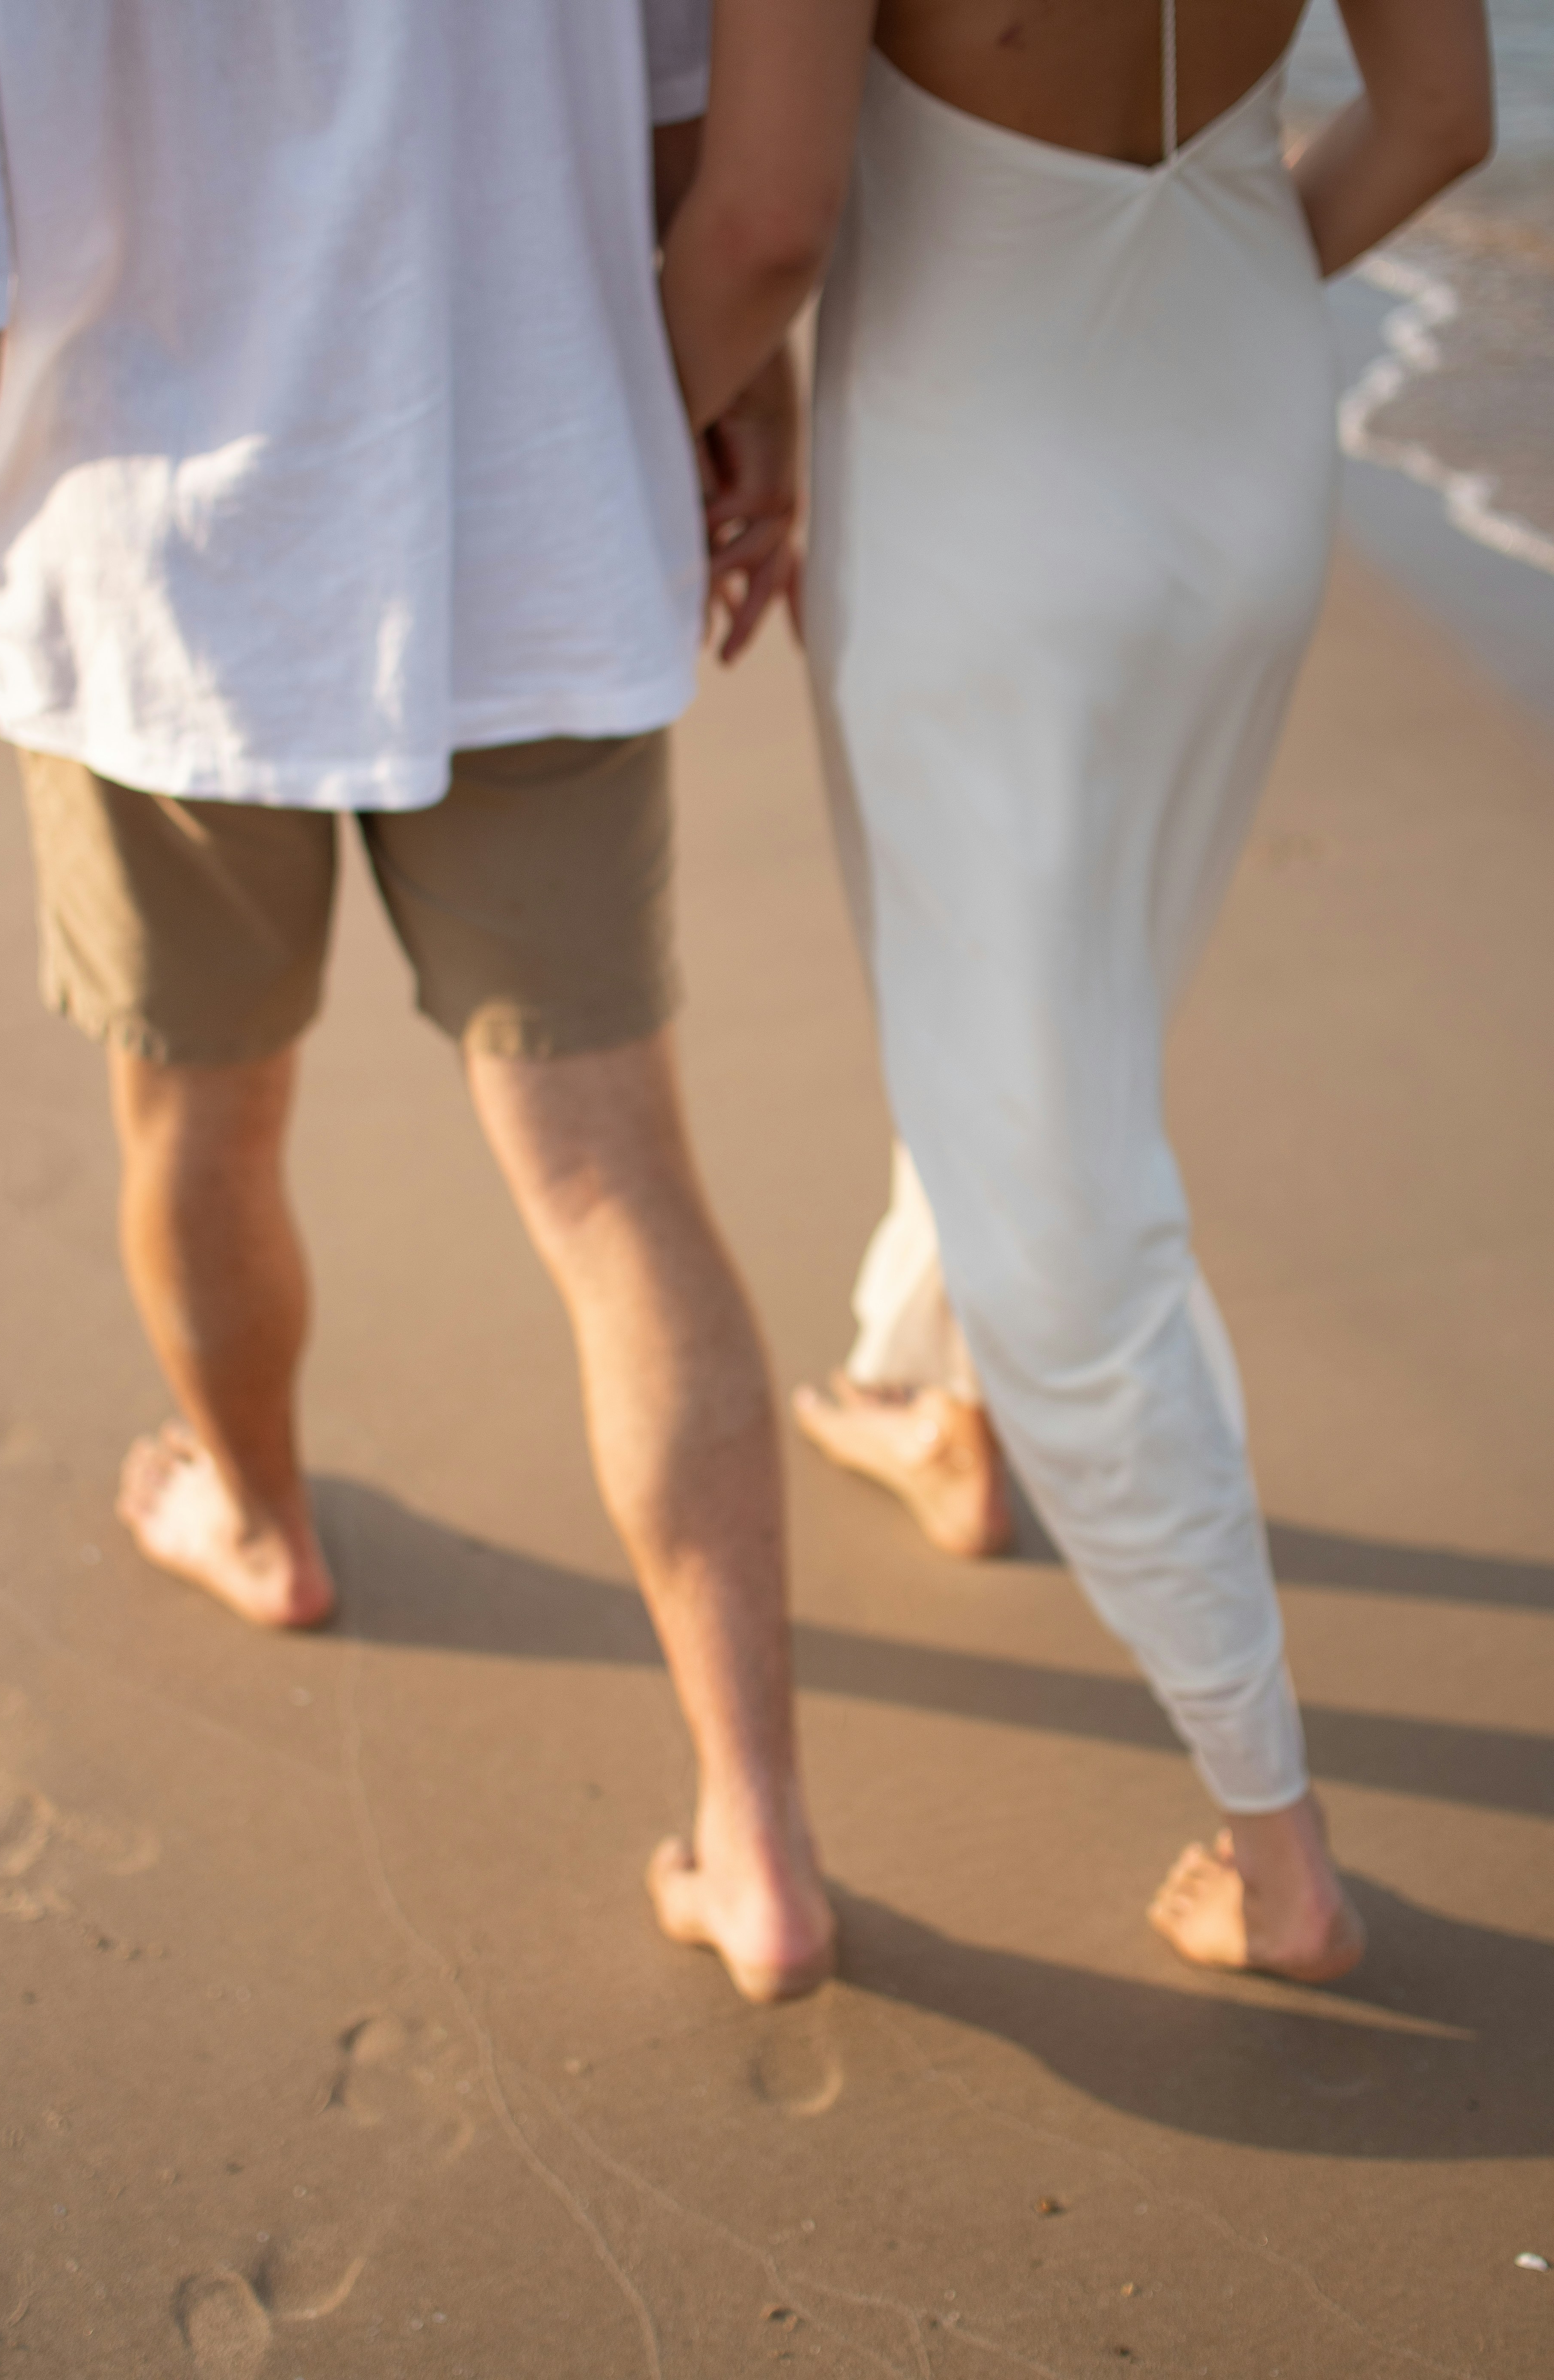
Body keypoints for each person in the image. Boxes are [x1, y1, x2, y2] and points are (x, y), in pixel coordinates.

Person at [0, 0, 832, 2005]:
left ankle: (261, 1523)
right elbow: (736, 192)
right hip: (532, 541)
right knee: (618, 1196)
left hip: (153, 575)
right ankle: (763, 1840)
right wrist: (717, 395)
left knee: (200, 1118)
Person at [658, 0, 1493, 1982]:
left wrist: (623, 424)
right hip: (1239, 453)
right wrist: (1180, 305)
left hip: (978, 489)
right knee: (1056, 1006)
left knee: (1062, 1183)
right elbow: (1442, 121)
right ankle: (922, 1394)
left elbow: (771, 217)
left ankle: (1275, 1848)